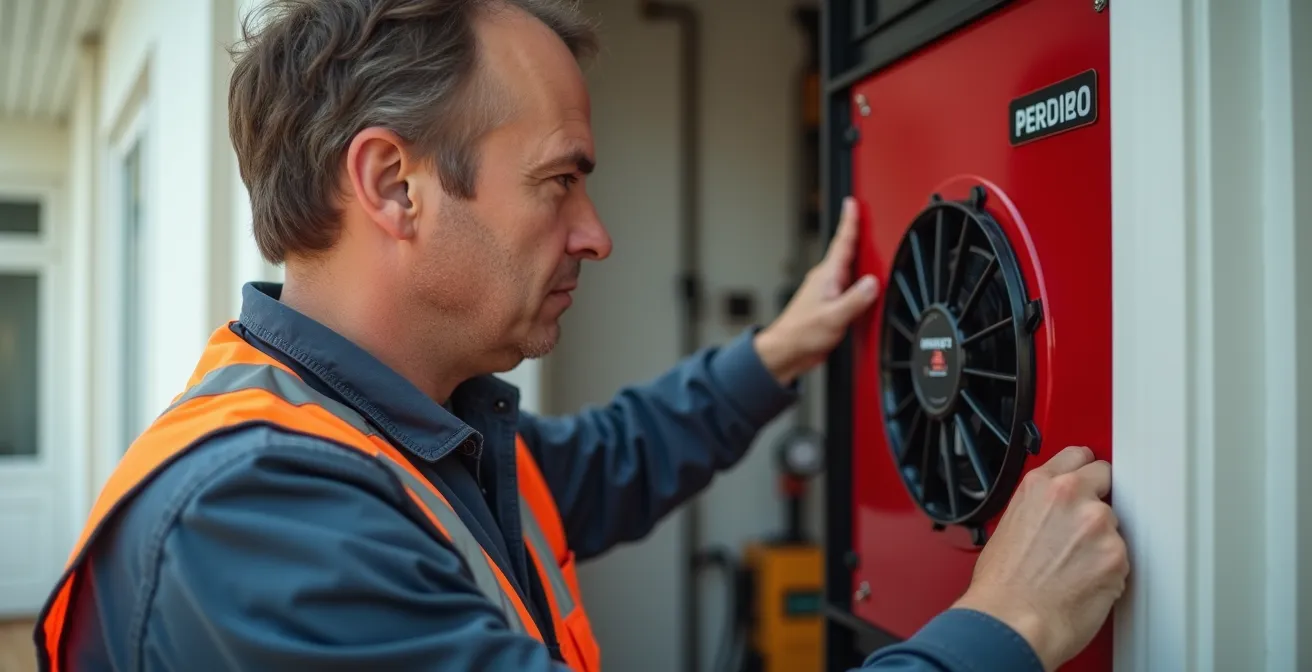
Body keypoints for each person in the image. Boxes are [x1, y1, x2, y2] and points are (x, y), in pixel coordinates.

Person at [34, 1, 1129, 671]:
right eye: (557, 182)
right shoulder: (259, 524)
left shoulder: (400, 442)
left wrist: (777, 353)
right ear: (392, 185)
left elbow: (606, 463)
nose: (595, 236)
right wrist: (1004, 625)